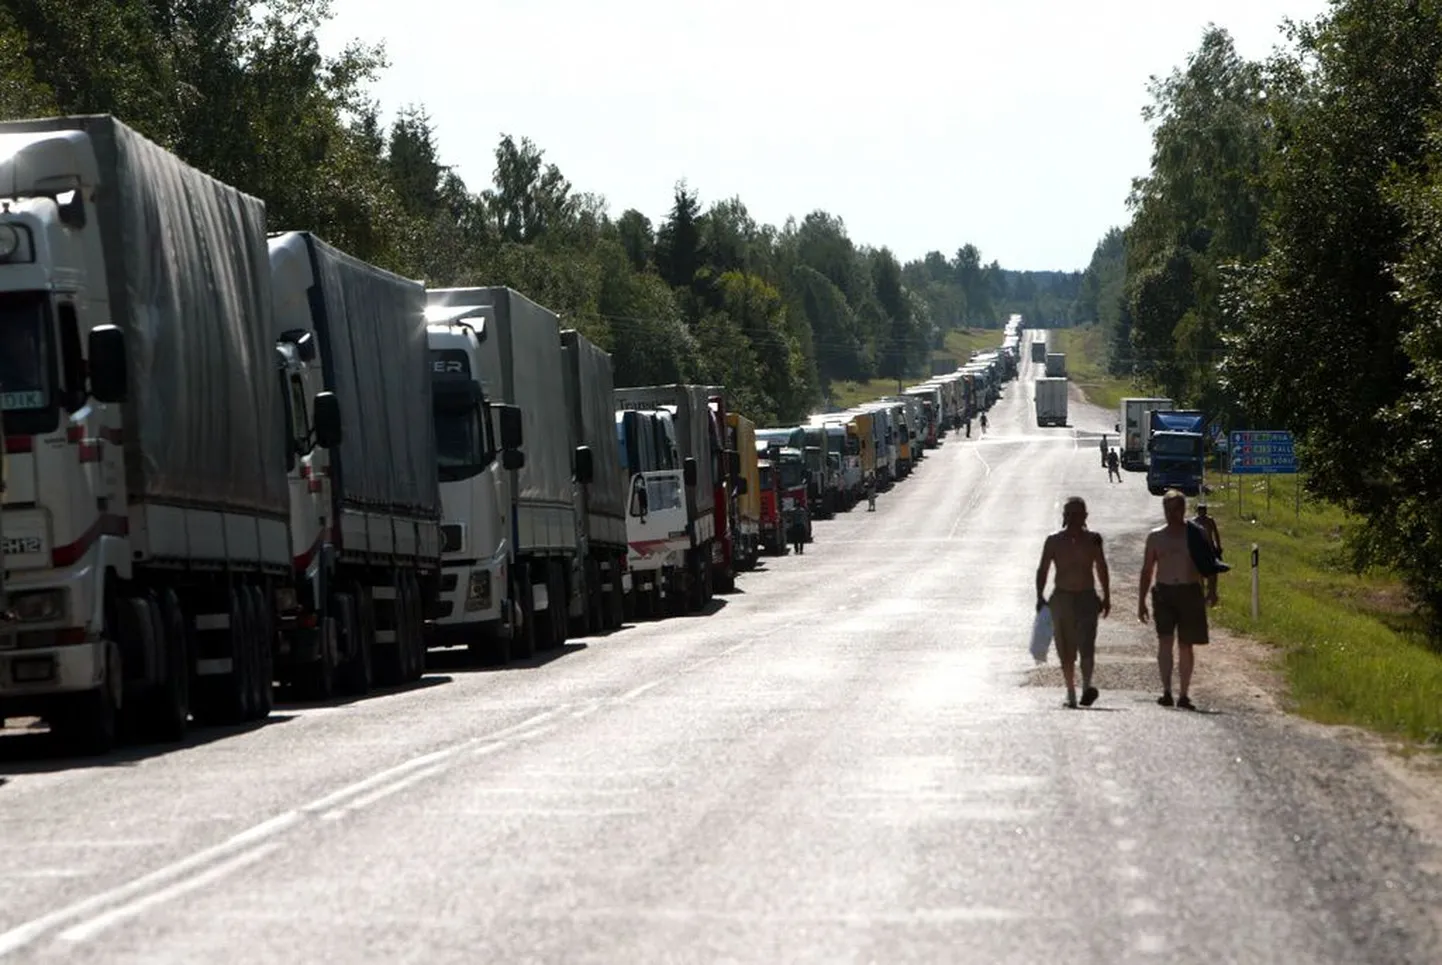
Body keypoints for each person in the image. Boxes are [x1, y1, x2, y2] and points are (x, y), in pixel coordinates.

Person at [1138, 489, 1218, 710]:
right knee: (1165, 641)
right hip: (1164, 592)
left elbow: (1210, 564)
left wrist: (1212, 590)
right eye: (1168, 509)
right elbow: (1147, 571)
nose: (1172, 514)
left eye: (1177, 509)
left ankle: (1183, 693)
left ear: (1184, 509)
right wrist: (1141, 601)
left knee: (1186, 644)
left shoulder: (1196, 534)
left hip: (1190, 591)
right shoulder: (1156, 536)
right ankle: (1166, 691)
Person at [1035, 496, 1112, 708]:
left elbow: (1101, 567)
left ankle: (1087, 687)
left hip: (1087, 597)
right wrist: (1039, 596)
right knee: (1066, 649)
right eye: (1068, 514)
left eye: (1077, 514)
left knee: (1087, 645)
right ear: (1063, 517)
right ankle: (1070, 693)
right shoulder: (1054, 540)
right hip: (1062, 599)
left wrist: (1106, 596)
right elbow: (1043, 569)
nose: (1072, 518)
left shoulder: (1093, 539)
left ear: (1085, 516)